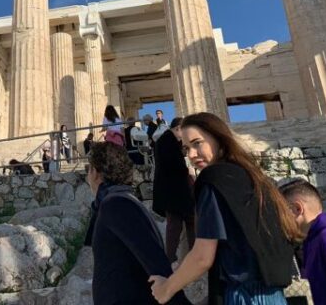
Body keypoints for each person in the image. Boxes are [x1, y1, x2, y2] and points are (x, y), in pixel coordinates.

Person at [149, 112, 299, 305]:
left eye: (197, 143)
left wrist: (165, 289)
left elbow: (203, 257)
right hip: (274, 295)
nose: (191, 155)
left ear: (218, 138)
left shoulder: (213, 180)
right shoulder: (250, 176)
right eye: (186, 148)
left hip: (243, 296)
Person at [84, 141, 191, 305]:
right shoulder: (118, 202)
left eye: (88, 169)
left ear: (96, 172)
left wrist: (177, 300)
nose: (87, 176)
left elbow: (153, 258)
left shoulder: (117, 204)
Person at [152, 117, 195, 263]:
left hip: (172, 190)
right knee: (182, 222)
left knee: (179, 222)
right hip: (175, 190)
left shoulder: (165, 141)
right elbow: (174, 167)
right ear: (178, 128)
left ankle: (173, 255)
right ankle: (178, 255)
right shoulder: (168, 142)